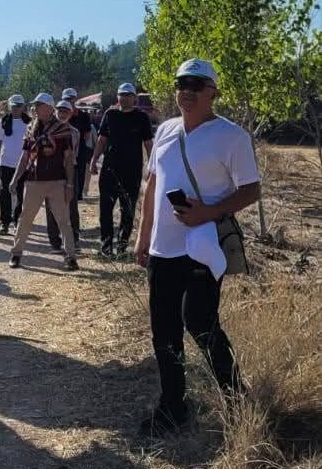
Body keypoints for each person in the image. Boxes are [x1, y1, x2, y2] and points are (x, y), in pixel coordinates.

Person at [133, 59, 260, 437]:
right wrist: (143, 236)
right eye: (180, 84)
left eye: (195, 84)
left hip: (204, 246)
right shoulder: (166, 130)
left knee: (201, 324)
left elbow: (251, 189)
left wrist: (208, 212)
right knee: (164, 330)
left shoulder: (232, 136)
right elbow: (153, 184)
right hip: (163, 248)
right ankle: (173, 407)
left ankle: (236, 397)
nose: (185, 91)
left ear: (212, 92)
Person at [8, 93, 78, 270]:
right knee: (25, 219)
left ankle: (70, 256)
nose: (36, 108)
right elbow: (24, 157)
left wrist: (70, 184)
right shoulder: (31, 128)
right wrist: (15, 179)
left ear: (48, 108)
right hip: (34, 181)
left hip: (57, 181)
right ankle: (16, 254)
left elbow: (69, 159)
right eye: (36, 105)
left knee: (63, 220)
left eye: (39, 105)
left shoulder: (62, 130)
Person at [90, 83, 154, 256]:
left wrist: (152, 167)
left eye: (128, 95)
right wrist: (94, 159)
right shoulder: (110, 115)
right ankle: (106, 246)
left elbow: (149, 144)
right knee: (105, 209)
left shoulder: (141, 117)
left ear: (134, 98)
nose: (124, 98)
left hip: (132, 171)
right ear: (117, 97)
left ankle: (122, 246)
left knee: (128, 210)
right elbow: (102, 140)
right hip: (110, 169)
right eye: (121, 95)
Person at [46, 100, 81, 252]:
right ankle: (55, 242)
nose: (62, 114)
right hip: (52, 171)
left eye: (65, 111)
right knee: (51, 207)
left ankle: (74, 240)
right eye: (60, 111)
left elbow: (74, 154)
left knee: (71, 206)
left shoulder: (75, 132)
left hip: (69, 171)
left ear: (70, 113)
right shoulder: (47, 130)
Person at [0, 95, 30, 235]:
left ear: (23, 107)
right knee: (5, 192)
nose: (16, 109)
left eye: (18, 106)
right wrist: (1, 156)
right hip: (6, 162)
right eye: (13, 106)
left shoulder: (29, 122)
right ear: (10, 106)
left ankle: (18, 220)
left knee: (21, 193)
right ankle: (4, 222)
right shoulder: (3, 121)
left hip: (23, 164)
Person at [62, 88, 92, 202]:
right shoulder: (60, 115)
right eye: (67, 99)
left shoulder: (83, 116)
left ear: (75, 99)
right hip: (63, 149)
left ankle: (78, 195)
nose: (69, 101)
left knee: (79, 172)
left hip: (80, 149)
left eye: (71, 99)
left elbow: (87, 134)